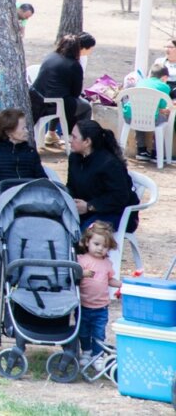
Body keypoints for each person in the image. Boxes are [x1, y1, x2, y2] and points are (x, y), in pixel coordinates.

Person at [67, 119, 139, 232]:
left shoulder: (109, 164)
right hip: (86, 211)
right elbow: (71, 186)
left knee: (86, 234)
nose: (70, 140)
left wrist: (89, 206)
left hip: (116, 213)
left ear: (87, 142)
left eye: (74, 137)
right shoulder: (74, 158)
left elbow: (119, 197)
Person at [0, 108, 45, 215]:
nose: (27, 131)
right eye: (23, 128)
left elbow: (42, 179)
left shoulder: (30, 152)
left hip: (31, 203)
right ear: (9, 132)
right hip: (5, 206)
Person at [76, 221, 121, 371]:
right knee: (83, 331)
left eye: (104, 246)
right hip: (83, 305)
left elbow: (109, 280)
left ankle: (98, 355)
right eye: (97, 244)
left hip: (101, 307)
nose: (100, 248)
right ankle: (86, 352)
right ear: (87, 242)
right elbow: (73, 275)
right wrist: (81, 273)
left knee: (98, 332)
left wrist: (121, 284)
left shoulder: (107, 263)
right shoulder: (81, 260)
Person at [30, 33, 87, 149]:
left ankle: (51, 133)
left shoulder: (50, 56)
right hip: (55, 103)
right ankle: (79, 138)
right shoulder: (74, 65)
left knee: (63, 101)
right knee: (86, 107)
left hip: (37, 98)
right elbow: (76, 92)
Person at [122, 60, 171, 161]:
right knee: (165, 120)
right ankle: (156, 152)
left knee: (140, 115)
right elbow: (162, 107)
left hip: (130, 117)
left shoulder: (140, 82)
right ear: (164, 77)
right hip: (151, 120)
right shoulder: (164, 86)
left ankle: (141, 150)